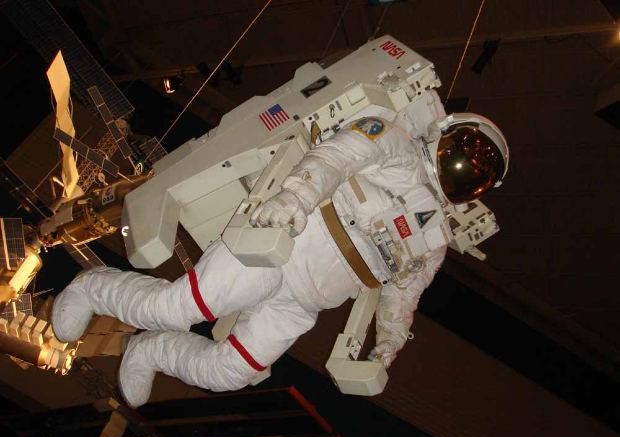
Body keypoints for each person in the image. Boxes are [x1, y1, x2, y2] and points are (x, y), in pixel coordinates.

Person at [52, 91, 508, 407]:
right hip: (280, 247)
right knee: (173, 309)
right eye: (467, 150)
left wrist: (388, 342)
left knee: (230, 373)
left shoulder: (434, 242)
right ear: (446, 132)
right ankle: (91, 288)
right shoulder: (395, 143)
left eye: (479, 171)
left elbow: (403, 297)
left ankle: (149, 353)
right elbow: (335, 157)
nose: (465, 166)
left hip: (303, 304)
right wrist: (296, 198)